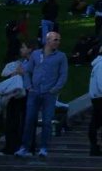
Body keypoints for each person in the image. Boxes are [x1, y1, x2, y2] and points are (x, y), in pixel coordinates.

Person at [18, 31, 66, 159]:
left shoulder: (61, 56)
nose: (58, 42)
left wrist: (55, 89)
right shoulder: (35, 54)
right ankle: (24, 147)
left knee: (47, 121)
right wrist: (28, 86)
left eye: (59, 40)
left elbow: (63, 75)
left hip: (49, 94)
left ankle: (44, 148)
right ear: (47, 40)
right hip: (34, 92)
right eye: (55, 39)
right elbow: (28, 71)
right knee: (29, 120)